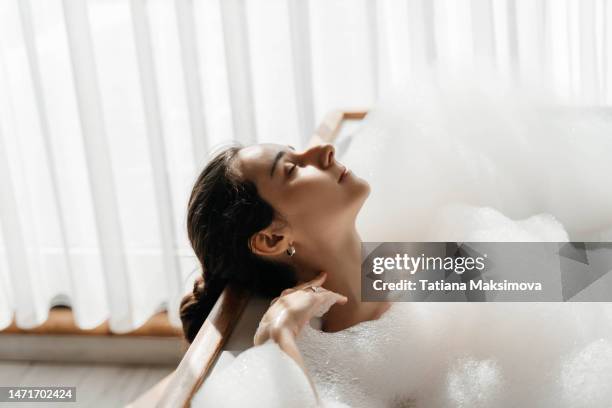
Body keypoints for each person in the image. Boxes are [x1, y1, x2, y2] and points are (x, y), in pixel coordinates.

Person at [180, 143, 391, 391]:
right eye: (291, 169)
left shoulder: (405, 268)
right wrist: (277, 334)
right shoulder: (328, 370)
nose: (325, 149)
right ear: (273, 239)